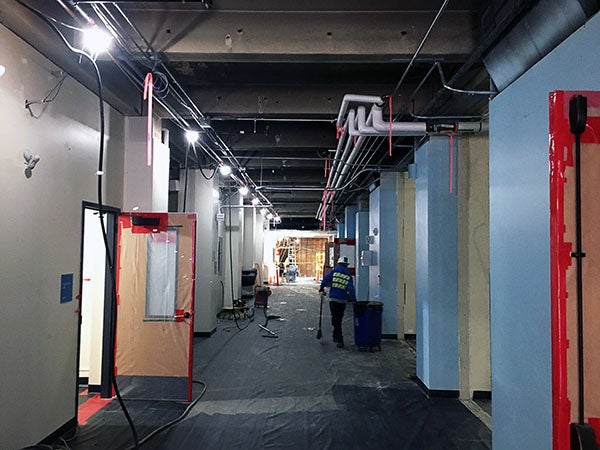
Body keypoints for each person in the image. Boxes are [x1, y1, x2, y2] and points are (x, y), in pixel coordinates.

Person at [319, 256, 356, 348]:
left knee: (335, 319)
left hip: (333, 300)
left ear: (338, 263)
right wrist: (354, 301)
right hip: (342, 301)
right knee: (338, 319)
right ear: (346, 265)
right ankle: (336, 336)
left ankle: (339, 339)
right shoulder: (348, 276)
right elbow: (351, 289)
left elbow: (325, 279)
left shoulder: (334, 271)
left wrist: (321, 288)